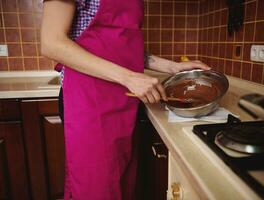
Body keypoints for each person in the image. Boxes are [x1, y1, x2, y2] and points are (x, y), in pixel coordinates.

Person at [40, 0, 209, 199]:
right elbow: (51, 43)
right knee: (96, 188)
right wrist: (130, 77)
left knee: (122, 182)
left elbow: (121, 44)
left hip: (123, 101)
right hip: (89, 101)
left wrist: (171, 67)